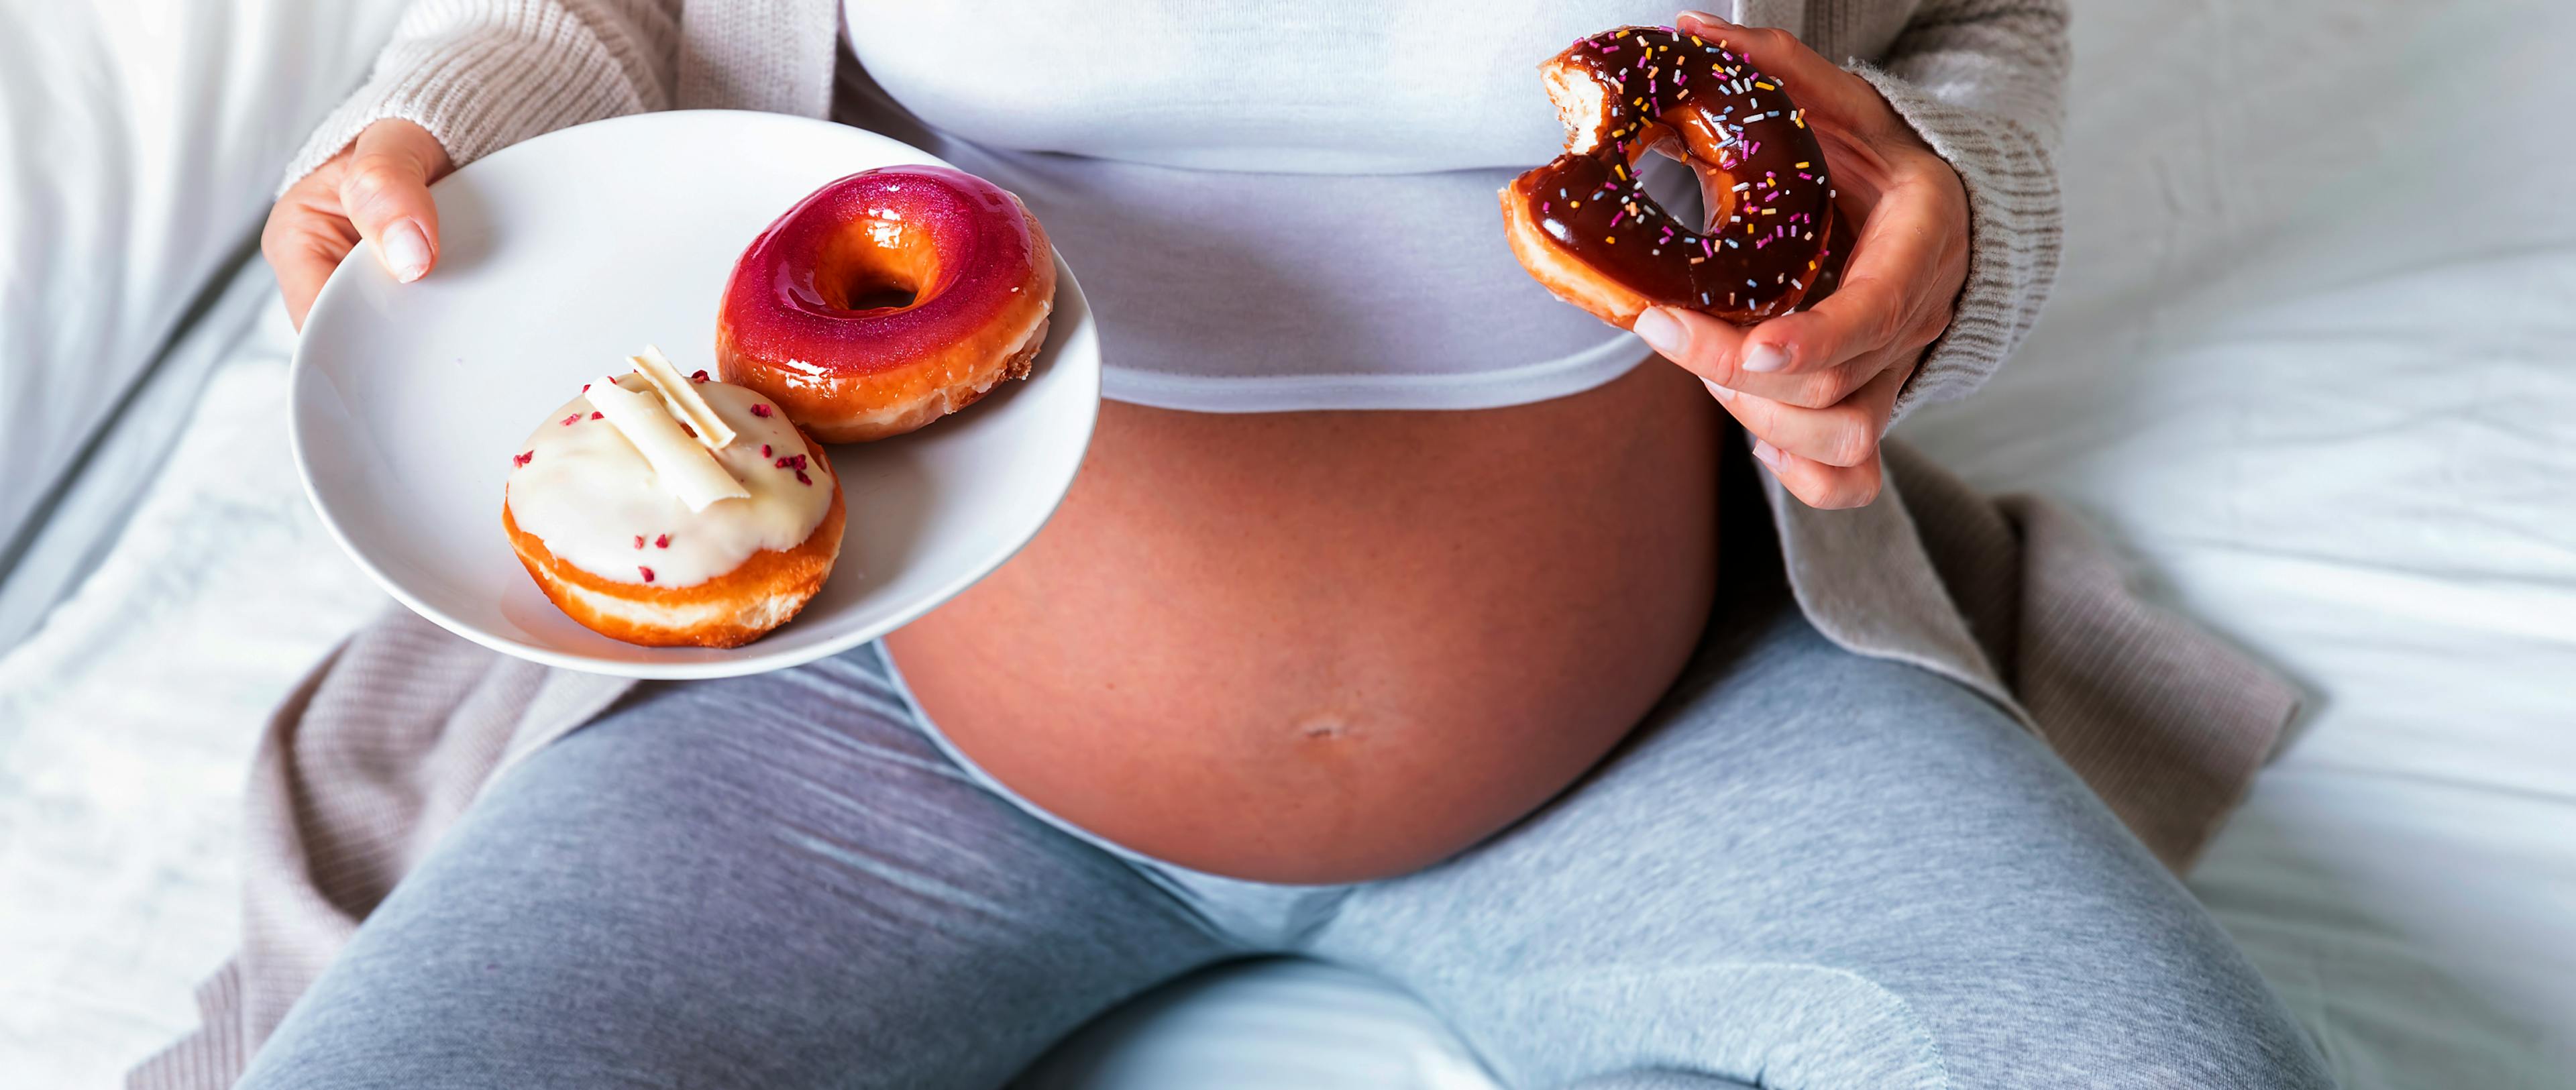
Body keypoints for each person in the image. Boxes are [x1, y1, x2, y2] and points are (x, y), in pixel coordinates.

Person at [164, 2, 2334, 1087]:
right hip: (873, 755)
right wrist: (452, 127)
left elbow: (1956, 43)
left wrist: (1936, 246)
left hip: (1683, 733)